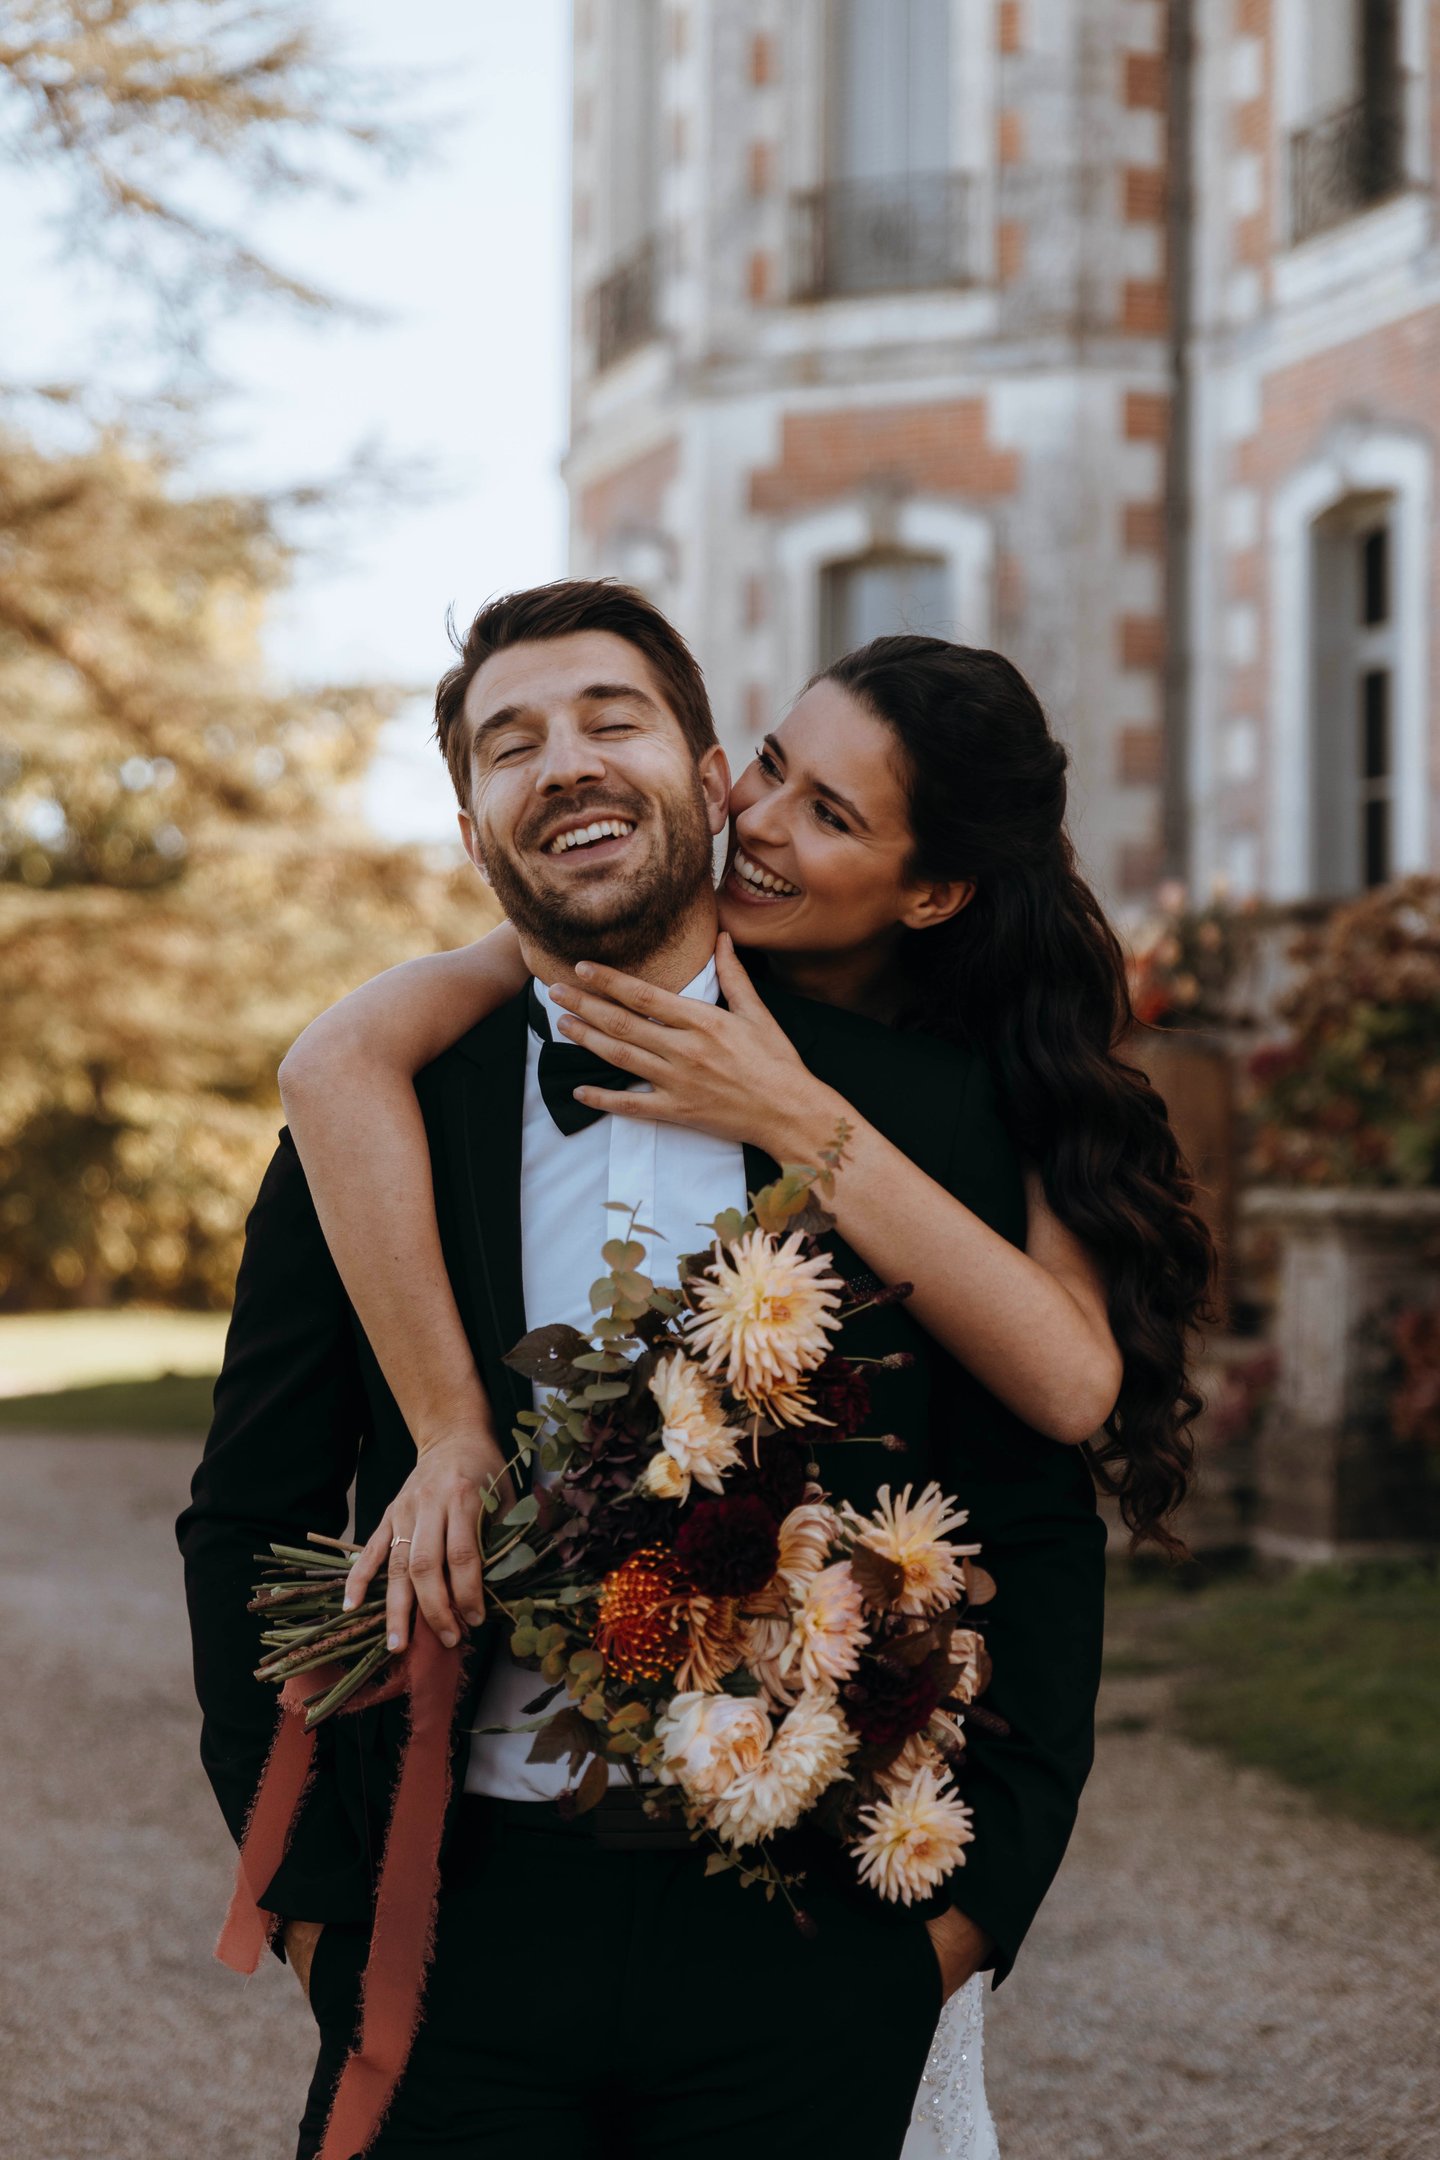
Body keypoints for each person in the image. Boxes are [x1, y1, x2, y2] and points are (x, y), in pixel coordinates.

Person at [178, 580, 1211, 2160]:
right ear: (475, 834)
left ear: (701, 771)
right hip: (449, 1928)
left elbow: (1034, 1517)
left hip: (809, 1945)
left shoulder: (919, 1128)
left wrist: (959, 1919)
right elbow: (247, 1512)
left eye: (613, 719)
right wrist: (317, 1916)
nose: (567, 763)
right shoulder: (371, 1122)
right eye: (512, 744)